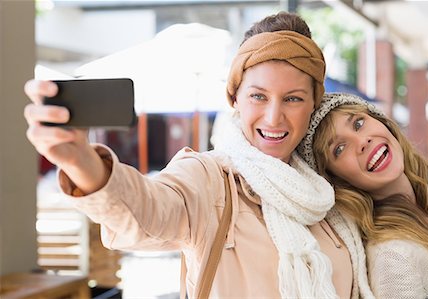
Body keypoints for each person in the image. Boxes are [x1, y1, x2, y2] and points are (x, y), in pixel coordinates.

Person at [24, 12, 374, 298]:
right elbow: (147, 209)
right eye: (258, 96)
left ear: (313, 104)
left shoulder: (327, 194)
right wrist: (80, 161)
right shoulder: (208, 180)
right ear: (234, 98)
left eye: (293, 98)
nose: (273, 117)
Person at [299, 92, 428, 298]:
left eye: (359, 123)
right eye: (339, 149)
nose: (362, 141)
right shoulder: (392, 257)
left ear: (381, 122)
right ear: (337, 181)